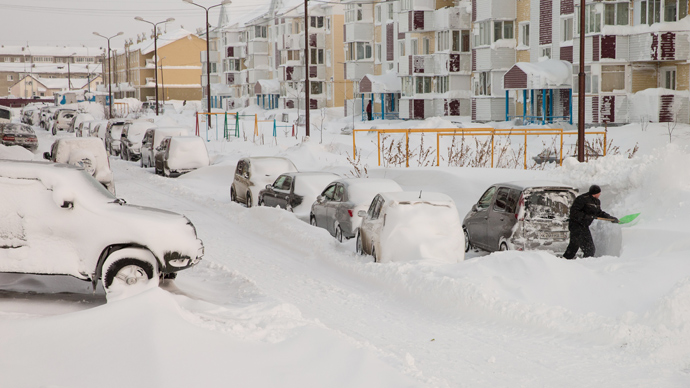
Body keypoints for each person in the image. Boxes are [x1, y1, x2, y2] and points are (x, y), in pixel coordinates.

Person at [563, 185, 618, 259]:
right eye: (599, 193)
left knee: (581, 248)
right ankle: (570, 263)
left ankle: (568, 261)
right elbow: (574, 212)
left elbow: (599, 213)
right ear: (595, 193)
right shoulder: (582, 199)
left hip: (584, 226)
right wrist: (588, 217)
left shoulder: (597, 201)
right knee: (582, 248)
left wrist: (610, 218)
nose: (600, 194)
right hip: (576, 225)